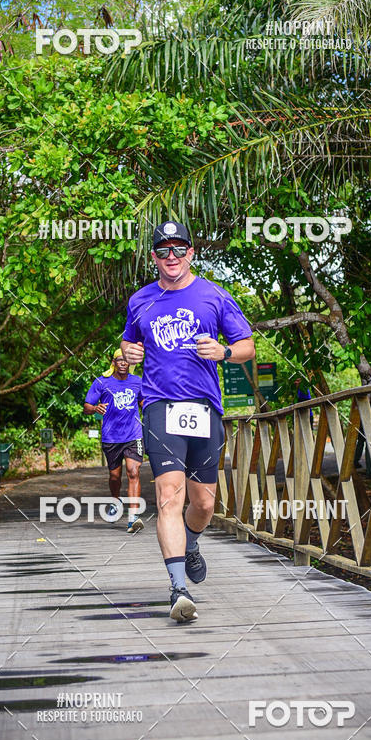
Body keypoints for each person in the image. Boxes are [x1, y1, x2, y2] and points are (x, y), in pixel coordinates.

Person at [121, 221, 255, 622]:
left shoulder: (214, 295)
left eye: (179, 249)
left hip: (204, 408)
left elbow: (247, 346)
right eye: (163, 251)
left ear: (191, 253)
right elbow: (130, 344)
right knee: (169, 496)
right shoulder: (140, 300)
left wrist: (224, 351)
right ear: (154, 258)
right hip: (160, 406)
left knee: (204, 503)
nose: (172, 257)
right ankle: (178, 588)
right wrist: (129, 354)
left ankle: (192, 543)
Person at [84, 348, 145, 533]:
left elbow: (144, 403)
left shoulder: (138, 382)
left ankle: (133, 518)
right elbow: (86, 406)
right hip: (111, 436)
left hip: (134, 434)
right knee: (115, 476)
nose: (123, 363)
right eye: (120, 360)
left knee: (133, 472)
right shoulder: (102, 382)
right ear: (114, 362)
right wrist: (95, 408)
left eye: (127, 360)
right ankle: (115, 500)